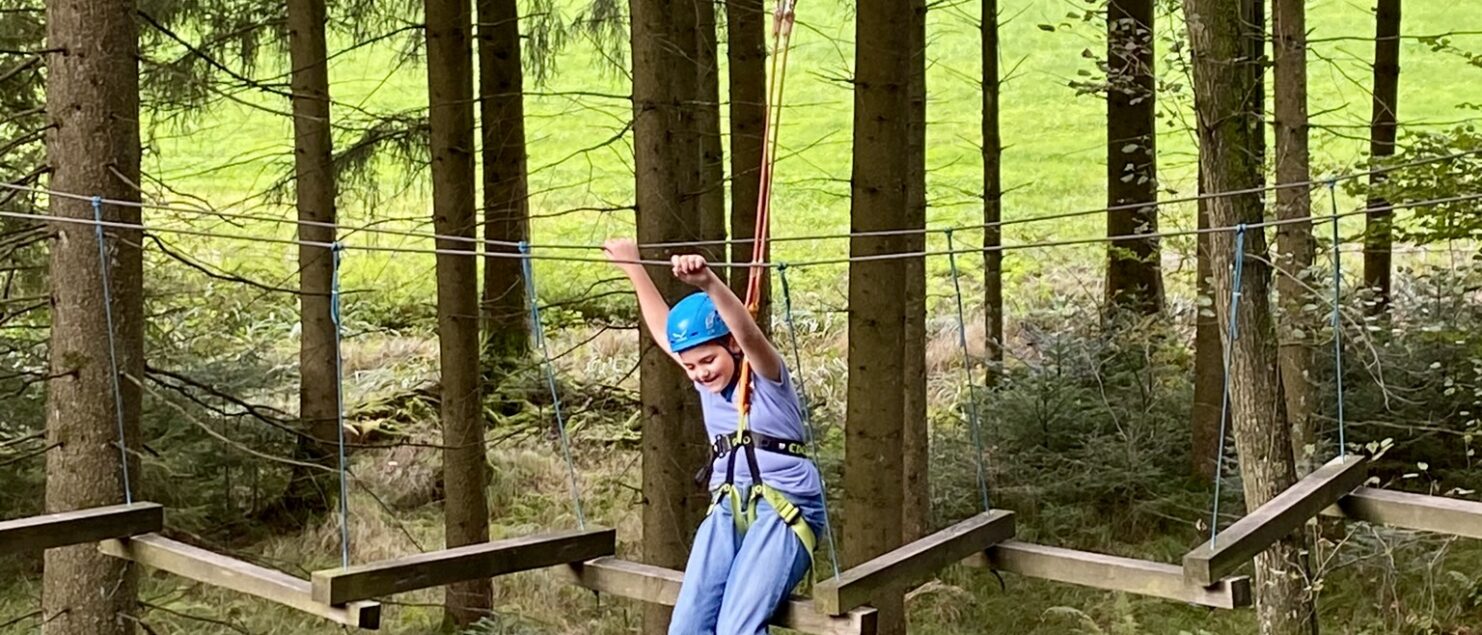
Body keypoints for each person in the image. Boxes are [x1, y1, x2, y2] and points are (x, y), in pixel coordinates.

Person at [604, 238, 827, 635]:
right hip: (728, 505)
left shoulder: (766, 377)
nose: (700, 373)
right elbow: (664, 330)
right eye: (691, 366)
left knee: (737, 628)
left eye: (708, 360)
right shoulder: (704, 382)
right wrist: (633, 267)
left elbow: (749, 334)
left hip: (785, 506)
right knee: (686, 627)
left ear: (732, 347)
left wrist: (708, 283)